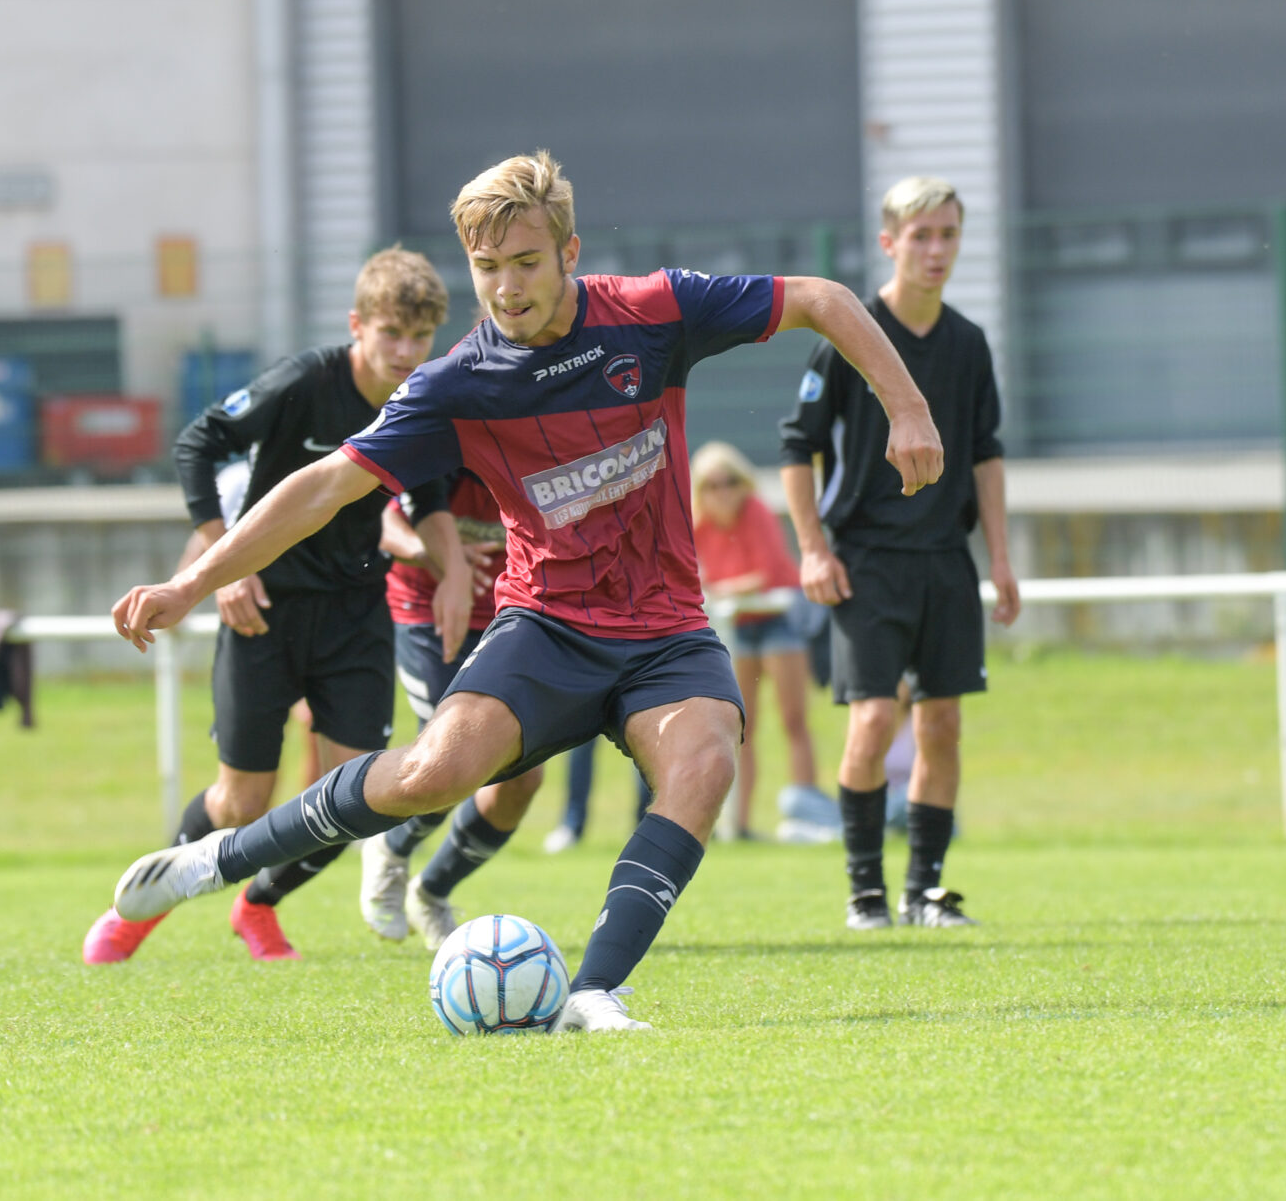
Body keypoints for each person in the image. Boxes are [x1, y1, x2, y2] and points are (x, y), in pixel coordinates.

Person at [99, 151, 944, 1034]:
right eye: (487, 267)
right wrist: (193, 579)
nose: (505, 287)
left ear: (570, 251)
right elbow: (322, 487)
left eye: (525, 262)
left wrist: (909, 407)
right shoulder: (458, 382)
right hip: (546, 625)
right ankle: (213, 861)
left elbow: (820, 297)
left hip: (665, 628)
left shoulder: (653, 313)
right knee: (435, 773)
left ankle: (593, 992)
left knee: (705, 764)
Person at [83, 246, 457, 966]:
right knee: (240, 804)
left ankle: (256, 905)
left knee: (361, 799)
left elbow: (432, 490)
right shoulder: (306, 381)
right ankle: (133, 913)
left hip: (356, 615)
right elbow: (199, 443)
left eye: (419, 337)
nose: (406, 352)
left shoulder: (426, 399)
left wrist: (451, 571)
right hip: (263, 608)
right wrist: (224, 565)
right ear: (358, 326)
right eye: (391, 334)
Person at [779, 176, 1022, 931]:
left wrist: (1003, 561)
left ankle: (925, 892)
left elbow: (984, 455)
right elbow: (797, 447)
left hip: (945, 560)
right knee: (875, 717)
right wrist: (813, 550)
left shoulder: (969, 344)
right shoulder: (850, 335)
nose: (936, 249)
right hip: (868, 560)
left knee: (942, 723)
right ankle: (865, 894)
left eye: (948, 233)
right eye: (921, 235)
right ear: (890, 242)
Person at [358, 469, 545, 946]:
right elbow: (383, 517)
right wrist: (431, 553)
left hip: (508, 622)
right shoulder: (450, 451)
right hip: (426, 616)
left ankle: (432, 891)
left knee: (522, 781)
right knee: (449, 758)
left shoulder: (535, 452)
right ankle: (390, 848)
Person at [690, 441, 837, 844]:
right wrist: (724, 591)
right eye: (712, 484)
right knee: (742, 728)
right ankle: (737, 823)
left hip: (778, 622)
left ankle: (807, 816)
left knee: (794, 720)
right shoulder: (697, 523)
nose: (723, 492)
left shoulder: (756, 512)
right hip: (737, 627)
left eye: (730, 481)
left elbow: (766, 572)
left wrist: (719, 588)